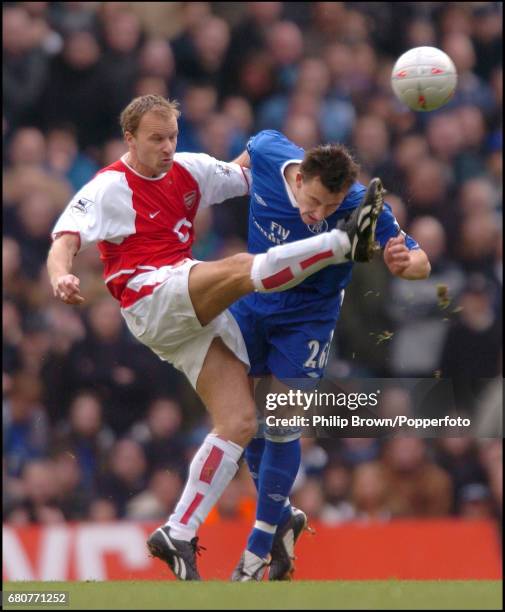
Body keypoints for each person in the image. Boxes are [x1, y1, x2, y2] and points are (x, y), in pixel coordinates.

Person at [47, 95, 384, 581]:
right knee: (244, 268)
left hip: (186, 314)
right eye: (155, 139)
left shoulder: (190, 169)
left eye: (172, 137)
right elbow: (65, 237)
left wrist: (311, 183)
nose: (166, 147)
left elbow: (258, 177)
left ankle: (179, 532)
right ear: (130, 139)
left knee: (241, 419)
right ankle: (343, 244)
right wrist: (62, 275)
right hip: (150, 296)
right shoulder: (109, 186)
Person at [228, 130, 431, 580]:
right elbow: (230, 173)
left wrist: (404, 264)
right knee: (243, 421)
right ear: (299, 178)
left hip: (309, 319)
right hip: (253, 301)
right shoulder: (266, 151)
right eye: (312, 200)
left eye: (327, 207)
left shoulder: (360, 205)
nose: (316, 214)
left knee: (280, 420)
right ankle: (282, 523)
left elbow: (420, 261)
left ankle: (256, 550)